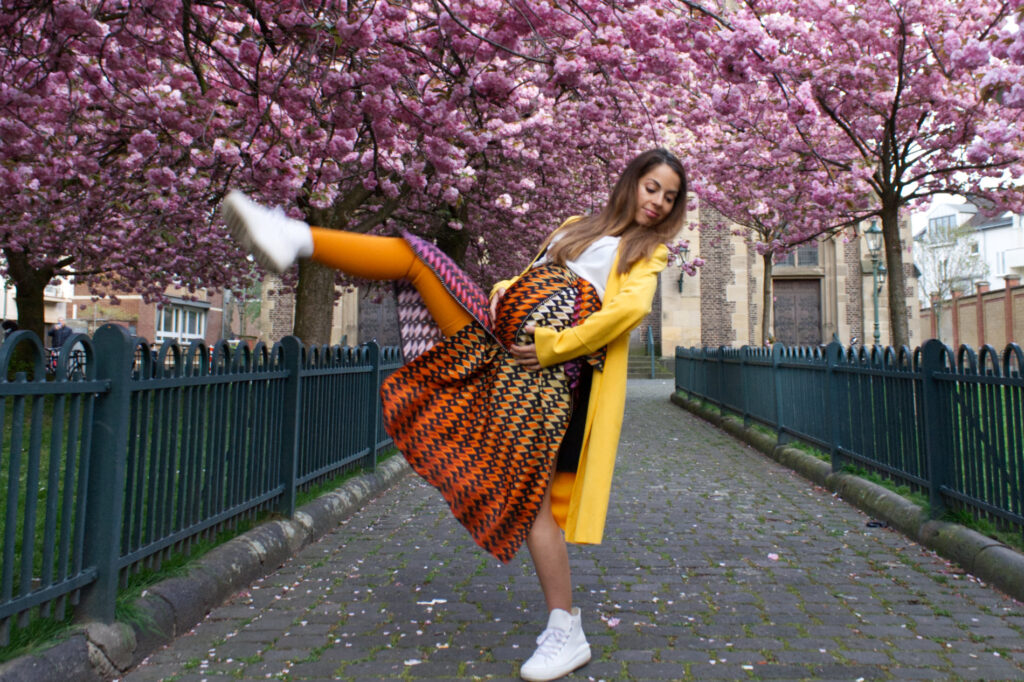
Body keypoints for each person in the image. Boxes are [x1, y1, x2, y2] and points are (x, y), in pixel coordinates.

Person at [221, 148, 686, 682]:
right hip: (495, 340)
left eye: (669, 197)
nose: (658, 203)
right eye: (653, 187)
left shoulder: (646, 252)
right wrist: (503, 294)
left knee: (532, 503)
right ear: (631, 183)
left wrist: (558, 345)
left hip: (544, 372)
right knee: (417, 257)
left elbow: (629, 311)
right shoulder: (576, 227)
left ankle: (566, 628)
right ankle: (295, 237)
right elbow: (529, 276)